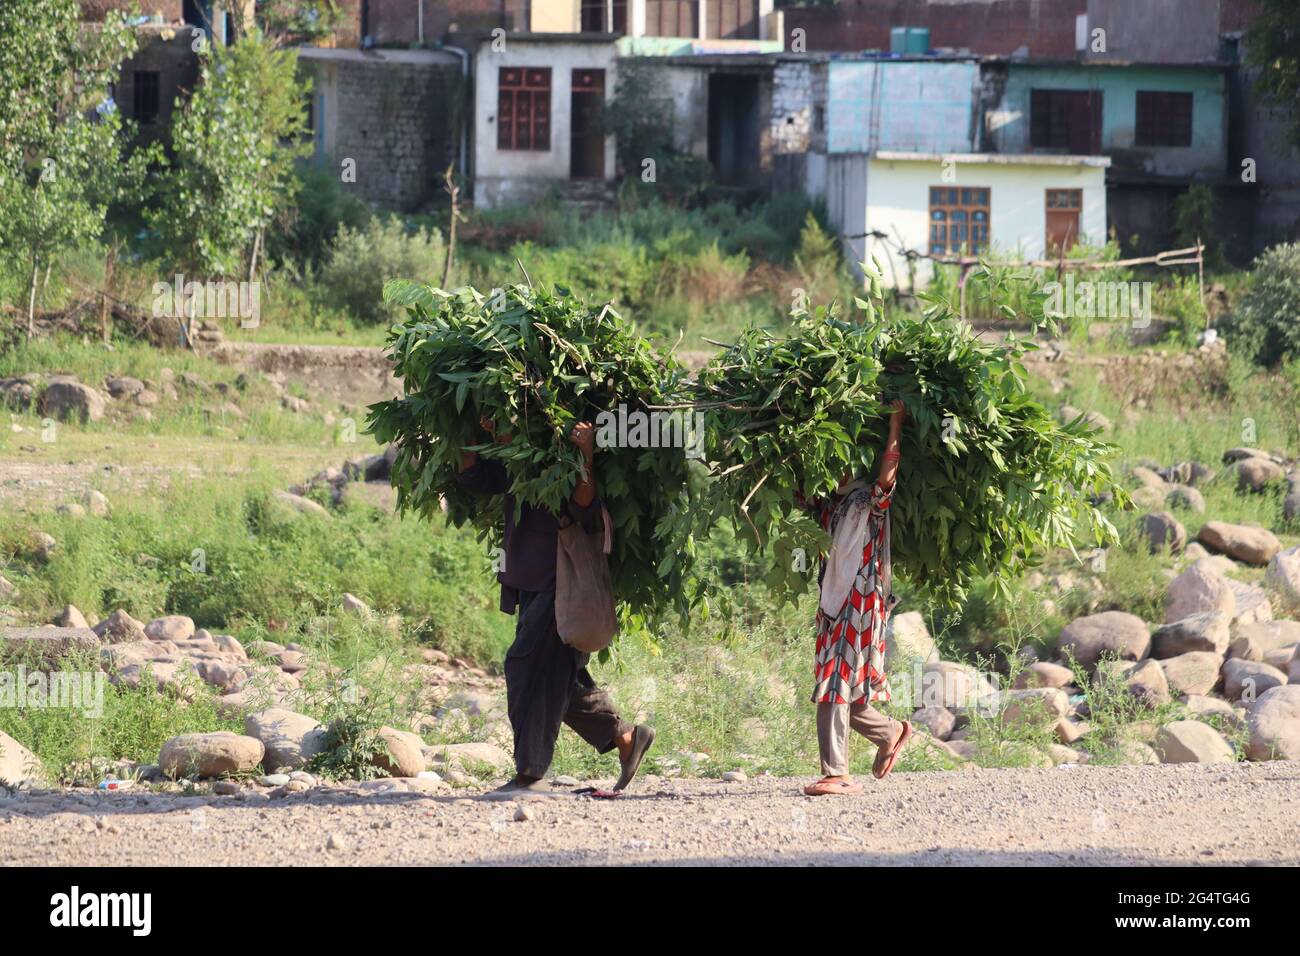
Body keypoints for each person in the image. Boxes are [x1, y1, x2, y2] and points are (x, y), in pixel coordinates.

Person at [456, 417, 655, 793]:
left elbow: (584, 504)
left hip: (559, 583)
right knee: (561, 677)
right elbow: (473, 477)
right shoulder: (517, 462)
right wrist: (467, 430)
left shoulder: (557, 462)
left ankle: (530, 774)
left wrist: (585, 455)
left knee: (526, 668)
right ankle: (626, 738)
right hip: (528, 583)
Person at [800, 399, 912, 796]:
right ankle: (892, 732)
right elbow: (794, 488)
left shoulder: (868, 501)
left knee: (834, 682)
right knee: (847, 691)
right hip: (834, 607)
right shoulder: (826, 506)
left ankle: (837, 773)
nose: (838, 470)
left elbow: (889, 472)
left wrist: (895, 422)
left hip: (863, 606)